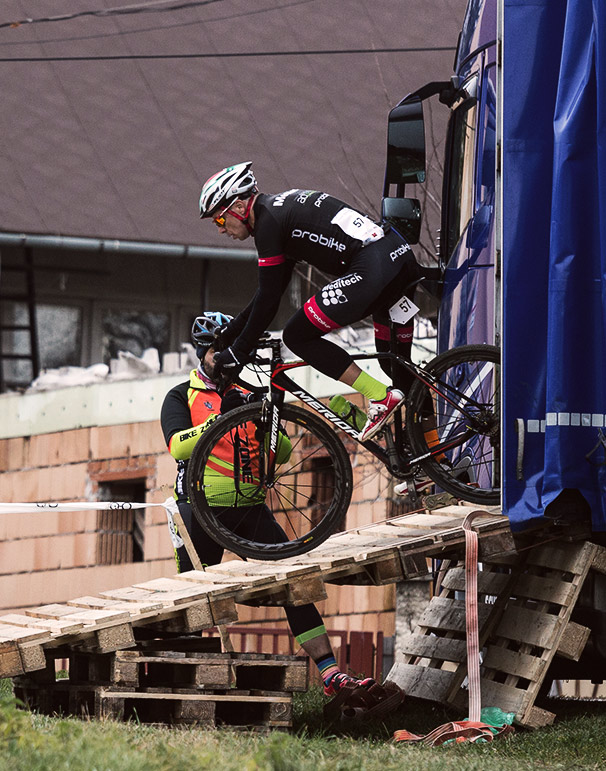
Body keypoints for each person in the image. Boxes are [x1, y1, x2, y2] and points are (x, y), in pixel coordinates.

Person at [160, 311, 375, 696]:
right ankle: (177, 678)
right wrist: (221, 419)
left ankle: (329, 673)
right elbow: (178, 445)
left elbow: (283, 453)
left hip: (251, 508)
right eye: (216, 351)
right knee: (192, 599)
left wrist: (266, 422)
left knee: (295, 583)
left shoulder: (244, 392)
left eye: (230, 350)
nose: (224, 358)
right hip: (201, 510)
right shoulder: (181, 395)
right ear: (202, 353)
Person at [198, 162, 424, 441]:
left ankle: (379, 396)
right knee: (396, 365)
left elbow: (269, 299)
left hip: (372, 267)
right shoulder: (276, 214)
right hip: (396, 259)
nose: (221, 230)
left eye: (220, 219)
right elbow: (269, 292)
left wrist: (239, 352)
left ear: (241, 206)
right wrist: (230, 336)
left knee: (297, 335)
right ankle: (433, 456)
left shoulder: (268, 224)